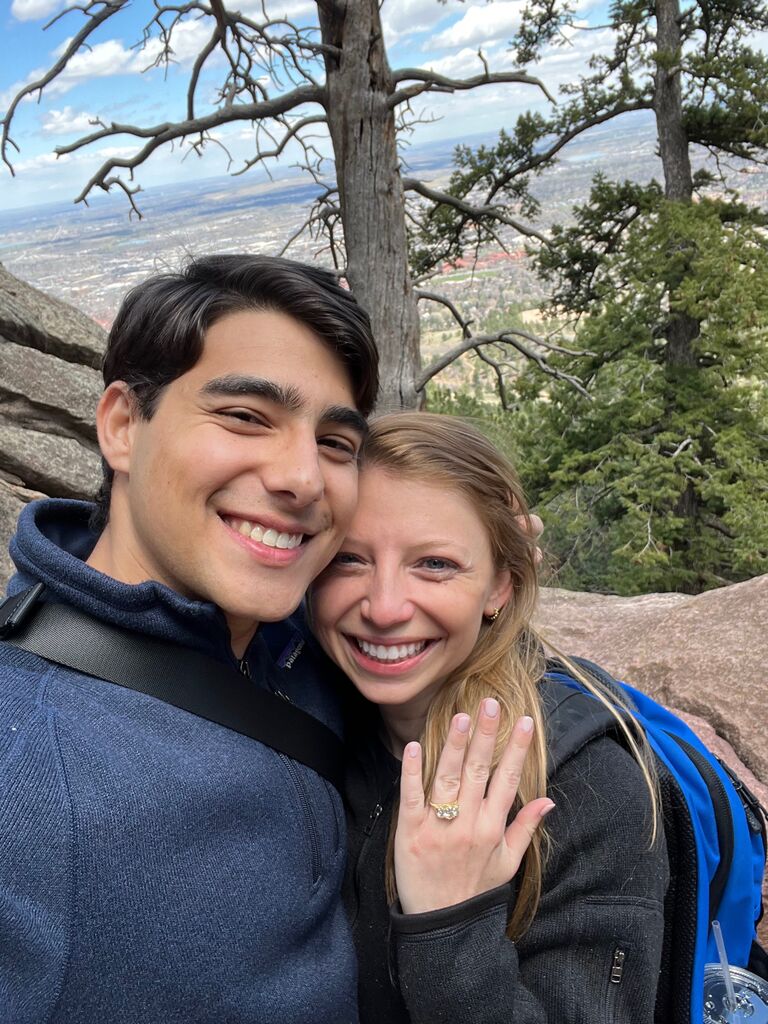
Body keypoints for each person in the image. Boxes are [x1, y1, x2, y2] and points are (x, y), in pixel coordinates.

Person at [0, 254, 379, 1023]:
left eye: (336, 444)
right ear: (121, 426)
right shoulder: (30, 781)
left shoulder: (297, 634)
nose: (303, 478)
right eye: (245, 417)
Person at [310, 412, 670, 1024]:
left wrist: (448, 924)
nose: (385, 607)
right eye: (348, 560)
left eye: (436, 564)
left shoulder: (582, 787)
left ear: (501, 585)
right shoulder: (311, 707)